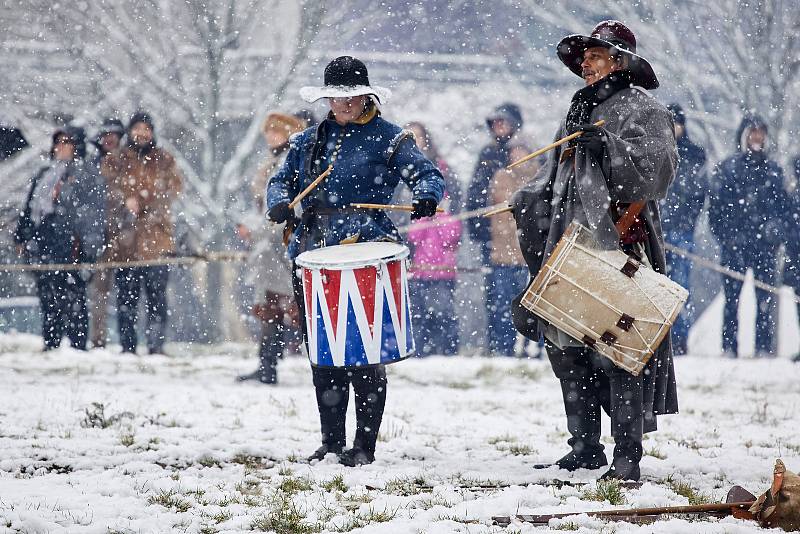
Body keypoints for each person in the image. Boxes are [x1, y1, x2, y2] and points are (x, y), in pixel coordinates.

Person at [510, 20, 678, 481]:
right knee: (566, 349)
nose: (585, 63)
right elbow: (555, 178)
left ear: (619, 61)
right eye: (583, 57)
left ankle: (627, 457)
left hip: (619, 243)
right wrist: (528, 200)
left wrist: (609, 147)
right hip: (570, 245)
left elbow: (656, 178)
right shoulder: (579, 108)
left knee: (619, 350)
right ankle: (584, 446)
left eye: (596, 56)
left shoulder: (645, 109)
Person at [267, 56, 445, 466]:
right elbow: (280, 182)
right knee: (323, 353)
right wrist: (279, 203)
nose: (342, 105)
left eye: (349, 97)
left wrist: (426, 198)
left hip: (368, 249)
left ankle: (364, 446)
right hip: (313, 252)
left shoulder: (391, 138)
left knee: (365, 355)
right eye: (335, 97)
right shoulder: (306, 141)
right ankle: (331, 443)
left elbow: (426, 175)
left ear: (366, 95)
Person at [14, 125, 106, 350]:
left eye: (67, 142)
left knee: (74, 298)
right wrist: (22, 236)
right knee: (48, 298)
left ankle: (77, 346)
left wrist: (88, 249)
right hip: (43, 245)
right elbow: (30, 209)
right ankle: (51, 343)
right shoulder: (44, 174)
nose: (61, 147)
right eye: (58, 142)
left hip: (71, 246)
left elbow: (92, 215)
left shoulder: (86, 175)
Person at [101, 112, 183, 355]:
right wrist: (125, 199)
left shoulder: (164, 160)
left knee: (157, 297)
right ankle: (128, 346)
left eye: (147, 128)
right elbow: (107, 189)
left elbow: (174, 189)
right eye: (137, 128)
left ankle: (156, 346)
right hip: (126, 242)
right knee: (126, 298)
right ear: (130, 132)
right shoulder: (116, 160)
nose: (142, 133)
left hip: (157, 240)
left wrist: (147, 200)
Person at [708, 115, 785, 358]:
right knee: (731, 301)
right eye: (753, 132)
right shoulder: (728, 168)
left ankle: (763, 348)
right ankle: (729, 347)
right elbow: (716, 210)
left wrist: (775, 231)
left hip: (764, 247)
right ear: (743, 136)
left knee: (764, 300)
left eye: (761, 133)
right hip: (734, 248)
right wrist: (727, 238)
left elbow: (783, 208)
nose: (757, 137)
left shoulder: (773, 171)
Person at [236, 112, 304, 384]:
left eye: (277, 131)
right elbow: (263, 206)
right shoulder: (271, 162)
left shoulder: (291, 163)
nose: (271, 136)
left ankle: (317, 366)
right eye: (269, 131)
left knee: (296, 311)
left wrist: (257, 229)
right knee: (270, 310)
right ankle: (267, 365)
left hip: (283, 249)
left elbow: (287, 209)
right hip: (268, 252)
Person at [660, 104, 707, 355]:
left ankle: (679, 339)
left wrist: (685, 219)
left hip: (682, 231)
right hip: (657, 230)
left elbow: (697, 194)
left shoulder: (694, 156)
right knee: (656, 285)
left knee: (680, 286)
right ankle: (659, 337)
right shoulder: (655, 150)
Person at [487, 143, 538, 357]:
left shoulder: (539, 176)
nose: (516, 155)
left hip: (530, 255)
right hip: (504, 254)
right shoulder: (501, 177)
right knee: (504, 305)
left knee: (534, 306)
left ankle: (534, 349)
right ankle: (505, 348)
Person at [466, 103, 523, 263]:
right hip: (491, 231)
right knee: (494, 280)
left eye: (502, 121)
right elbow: (476, 189)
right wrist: (477, 226)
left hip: (519, 231)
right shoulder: (488, 153)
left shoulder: (527, 152)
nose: (498, 126)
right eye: (495, 122)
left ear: (514, 124)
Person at [407, 192, 462, 356]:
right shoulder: (420, 219)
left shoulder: (450, 220)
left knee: (445, 314)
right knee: (420, 314)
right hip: (421, 274)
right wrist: (425, 218)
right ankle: (421, 350)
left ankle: (448, 350)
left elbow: (450, 238)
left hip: (444, 275)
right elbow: (413, 236)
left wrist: (439, 219)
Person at [87, 118, 124, 348]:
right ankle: (98, 339)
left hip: (129, 238)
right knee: (99, 293)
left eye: (114, 135)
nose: (109, 139)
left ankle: (129, 342)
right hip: (100, 237)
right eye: (106, 135)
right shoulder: (92, 166)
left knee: (129, 295)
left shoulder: (129, 164)